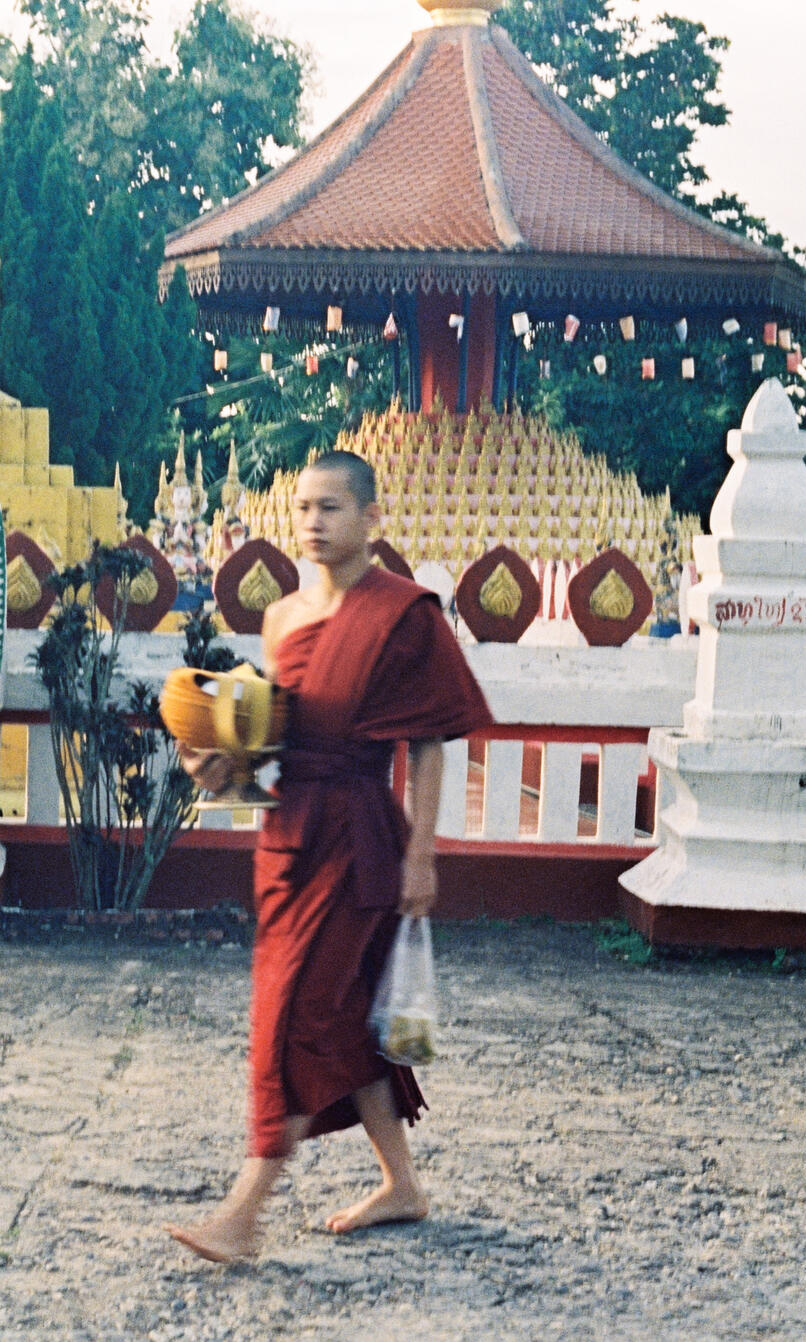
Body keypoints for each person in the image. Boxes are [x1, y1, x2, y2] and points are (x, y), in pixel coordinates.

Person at [167, 450, 493, 1263]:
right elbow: (273, 739)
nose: (313, 522)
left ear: (372, 518)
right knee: (340, 1021)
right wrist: (219, 764)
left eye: (332, 507)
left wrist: (423, 855)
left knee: (295, 1019)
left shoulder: (404, 614)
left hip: (358, 838)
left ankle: (244, 1211)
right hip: (288, 838)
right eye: (304, 507)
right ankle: (403, 1186)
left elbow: (428, 743)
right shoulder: (281, 618)